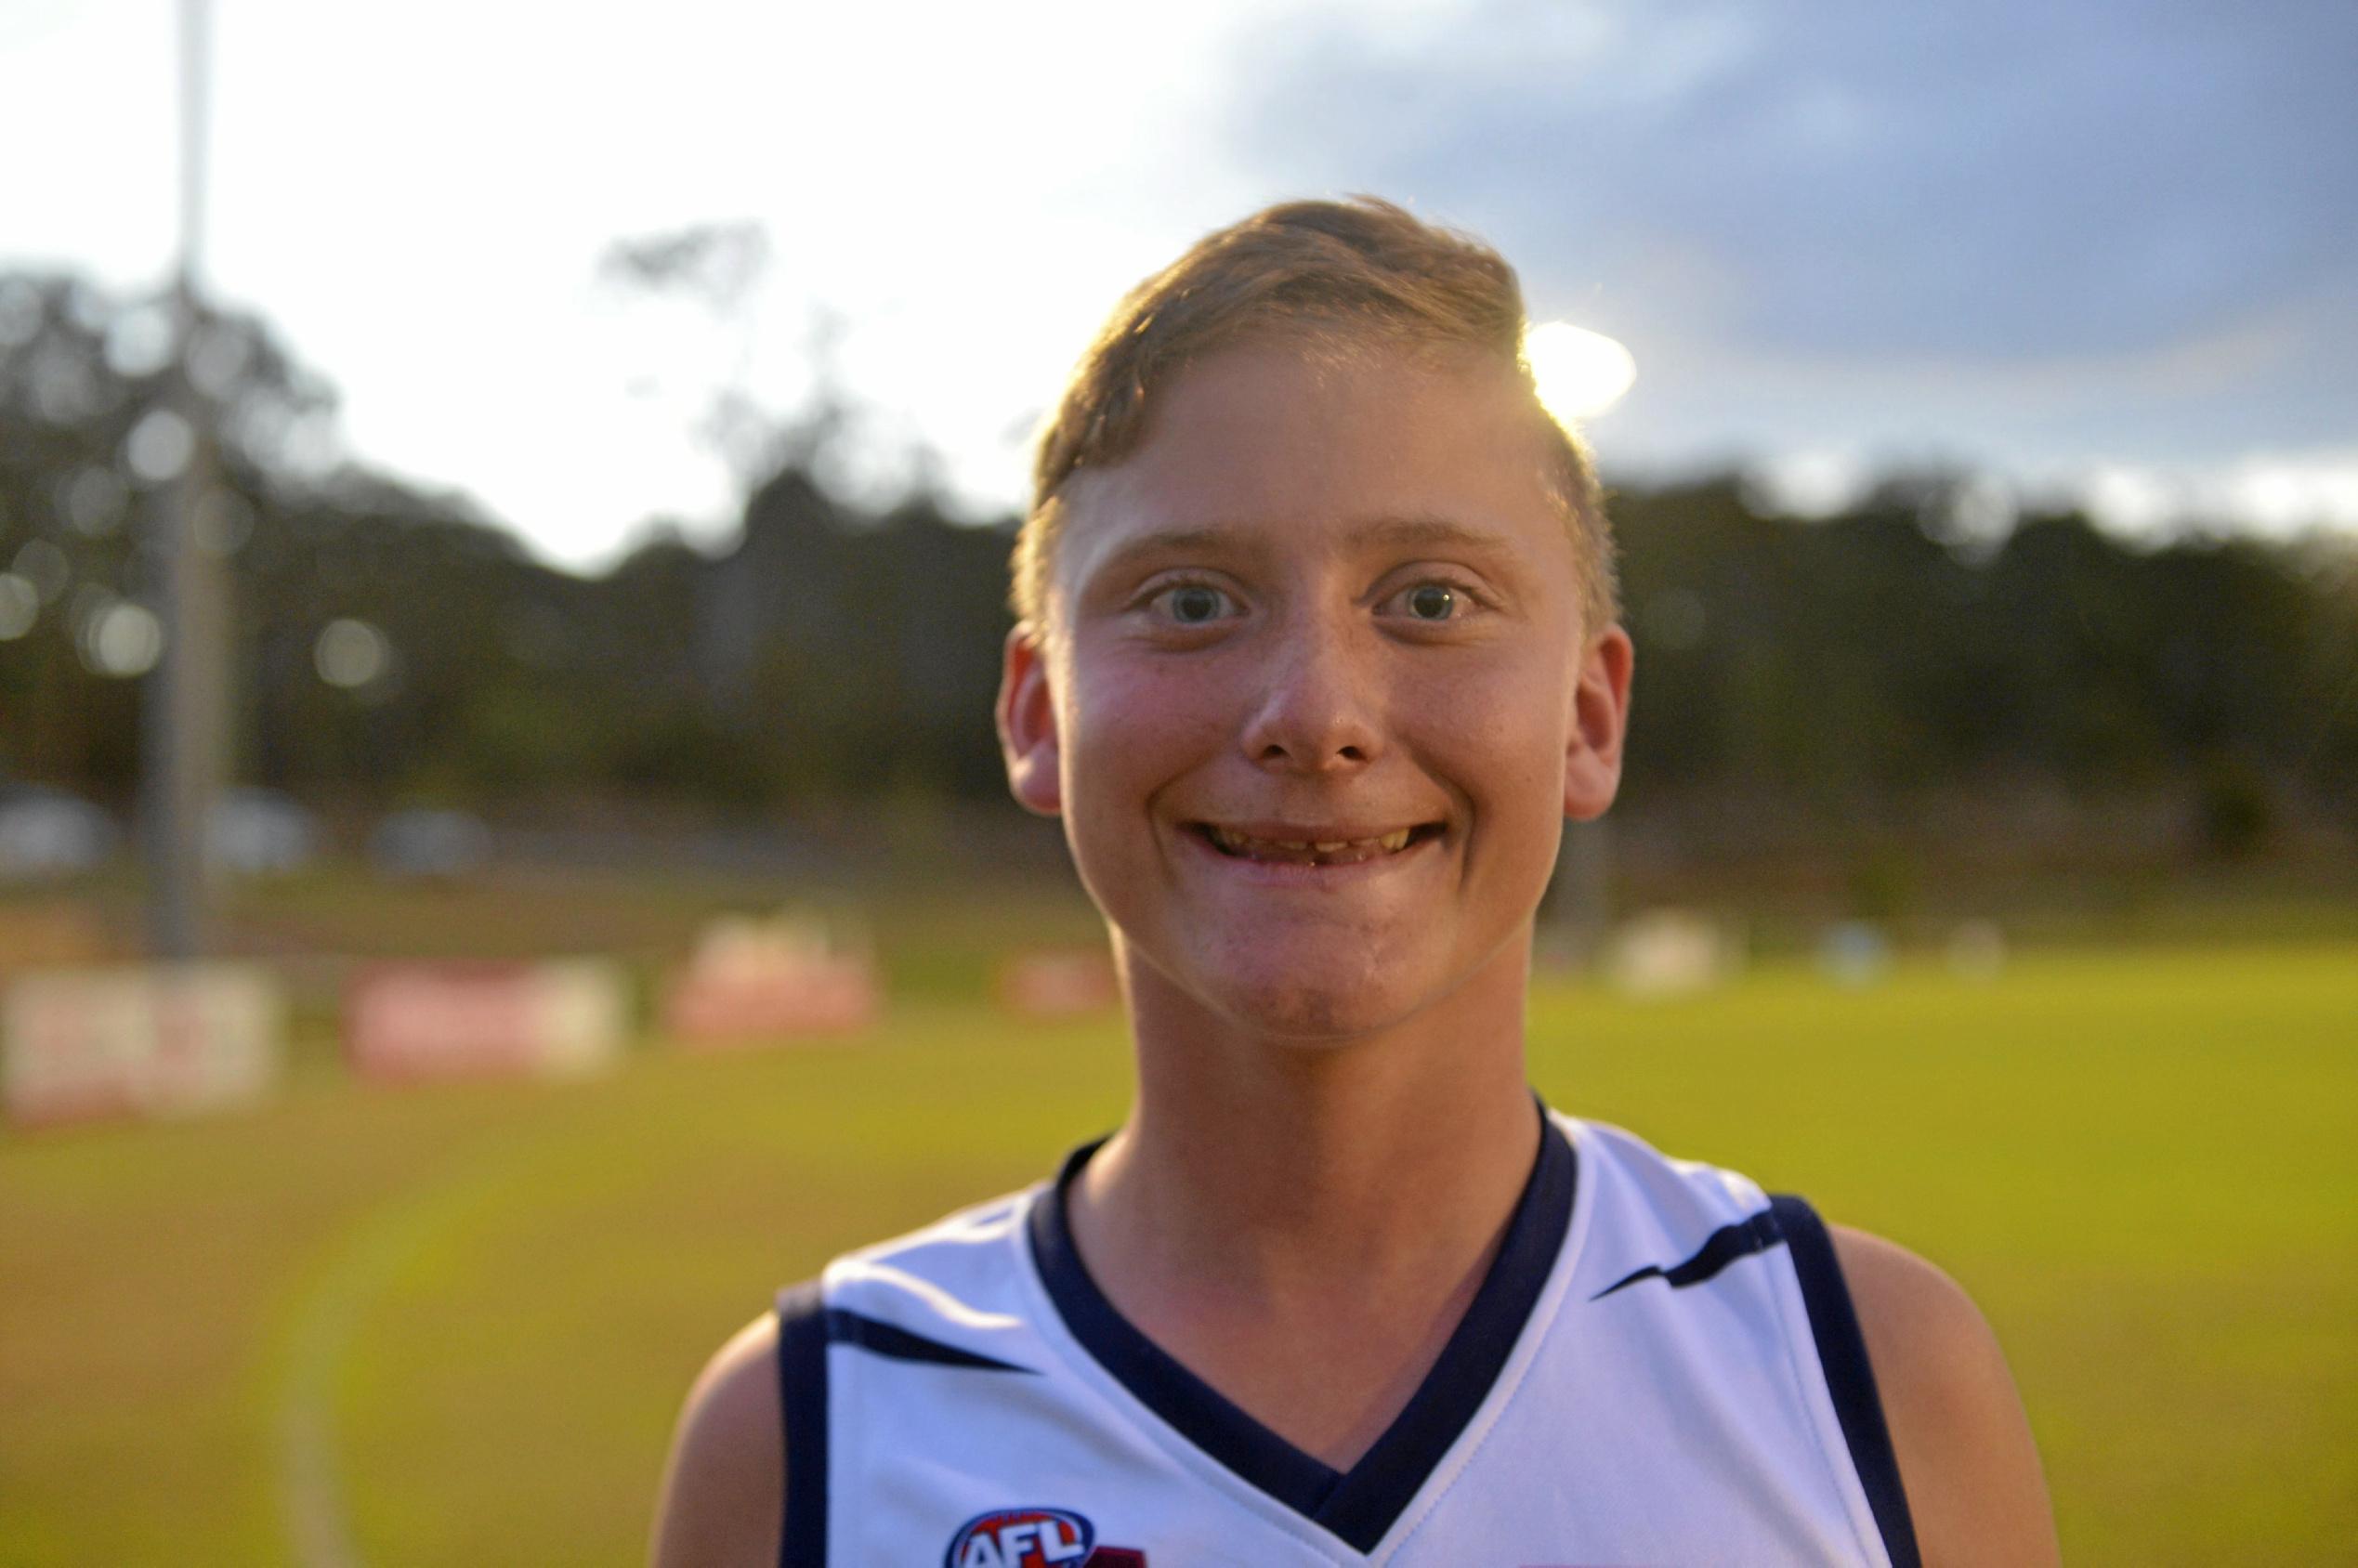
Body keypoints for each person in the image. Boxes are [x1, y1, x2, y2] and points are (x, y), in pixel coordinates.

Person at [650, 197, 2058, 1567]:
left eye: (1430, 601)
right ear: (1035, 713)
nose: (1314, 713)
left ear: (1586, 717)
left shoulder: (1862, 1369)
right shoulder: (806, 1433)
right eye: (1190, 600)